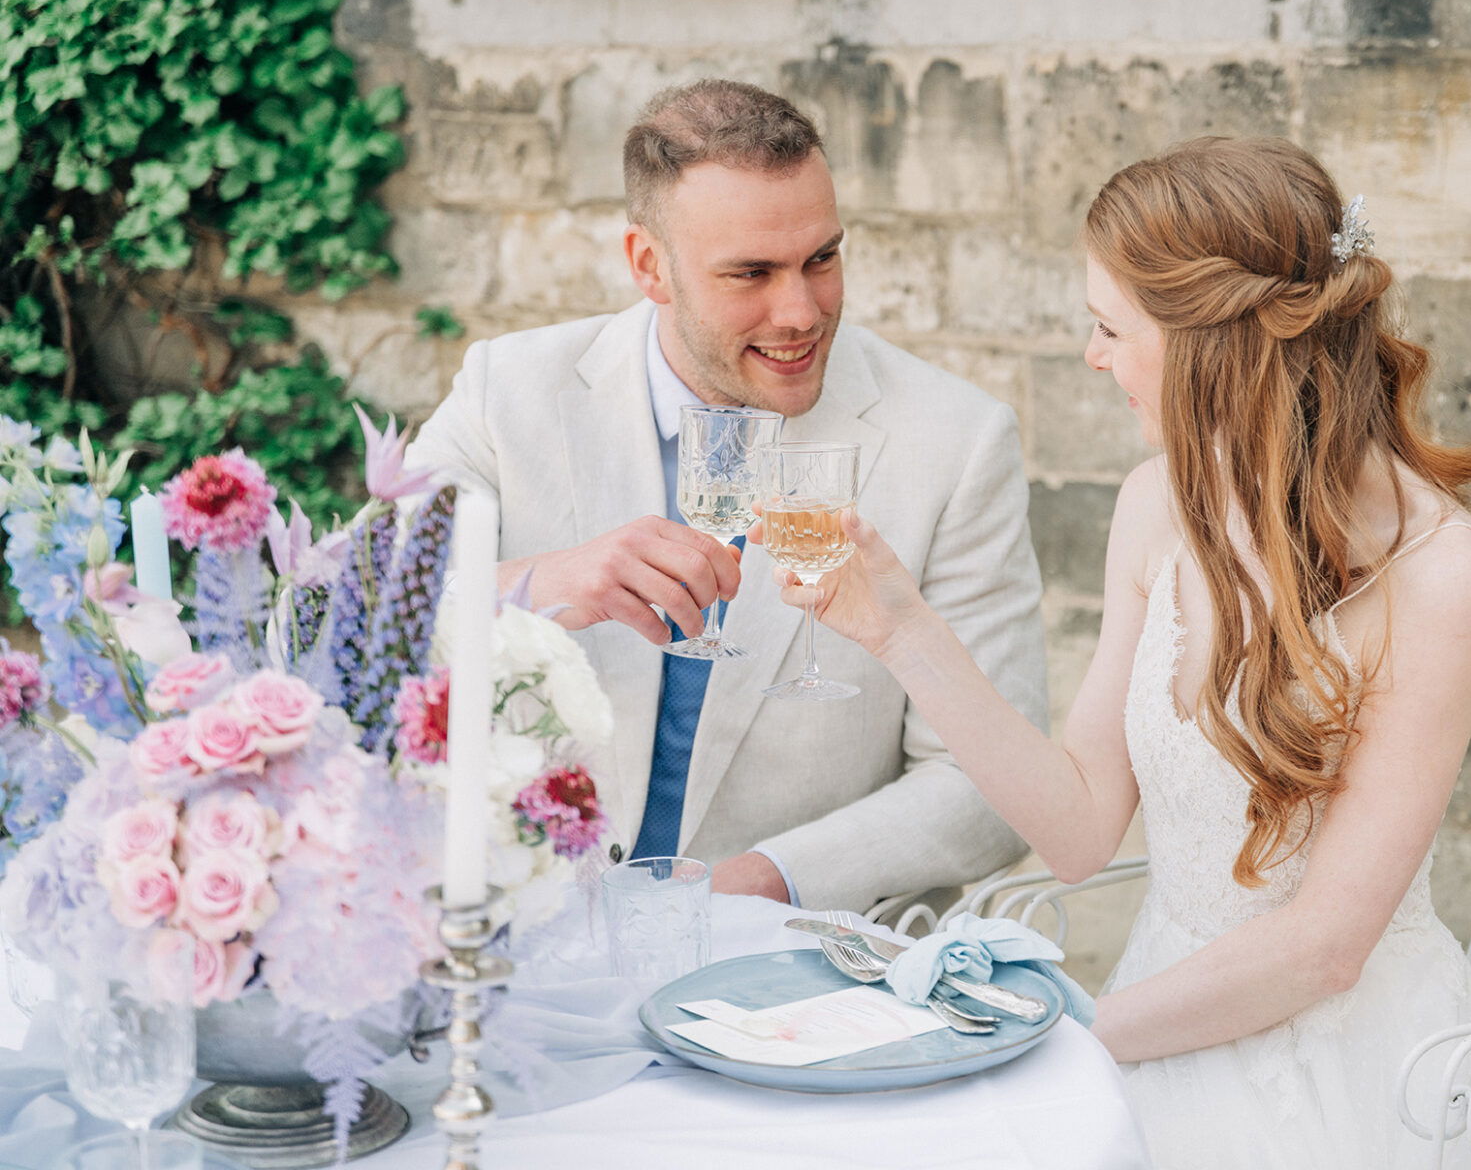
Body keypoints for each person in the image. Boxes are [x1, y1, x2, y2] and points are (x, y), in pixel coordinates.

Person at [760, 137, 1471, 1166]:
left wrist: (1058, 1037)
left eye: (1109, 328)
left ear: (1213, 343)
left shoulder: (1442, 571)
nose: (1093, 356)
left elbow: (1324, 947)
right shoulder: (1153, 505)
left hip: (1349, 1065)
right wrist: (900, 627)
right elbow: (1080, 825)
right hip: (1158, 1006)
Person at [410, 80, 1047, 914]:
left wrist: (756, 887)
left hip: (791, 982)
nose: (802, 310)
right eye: (751, 272)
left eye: (822, 258)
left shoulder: (958, 442)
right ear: (649, 265)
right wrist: (542, 583)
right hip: (517, 943)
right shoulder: (507, 391)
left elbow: (992, 785)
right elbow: (351, 614)